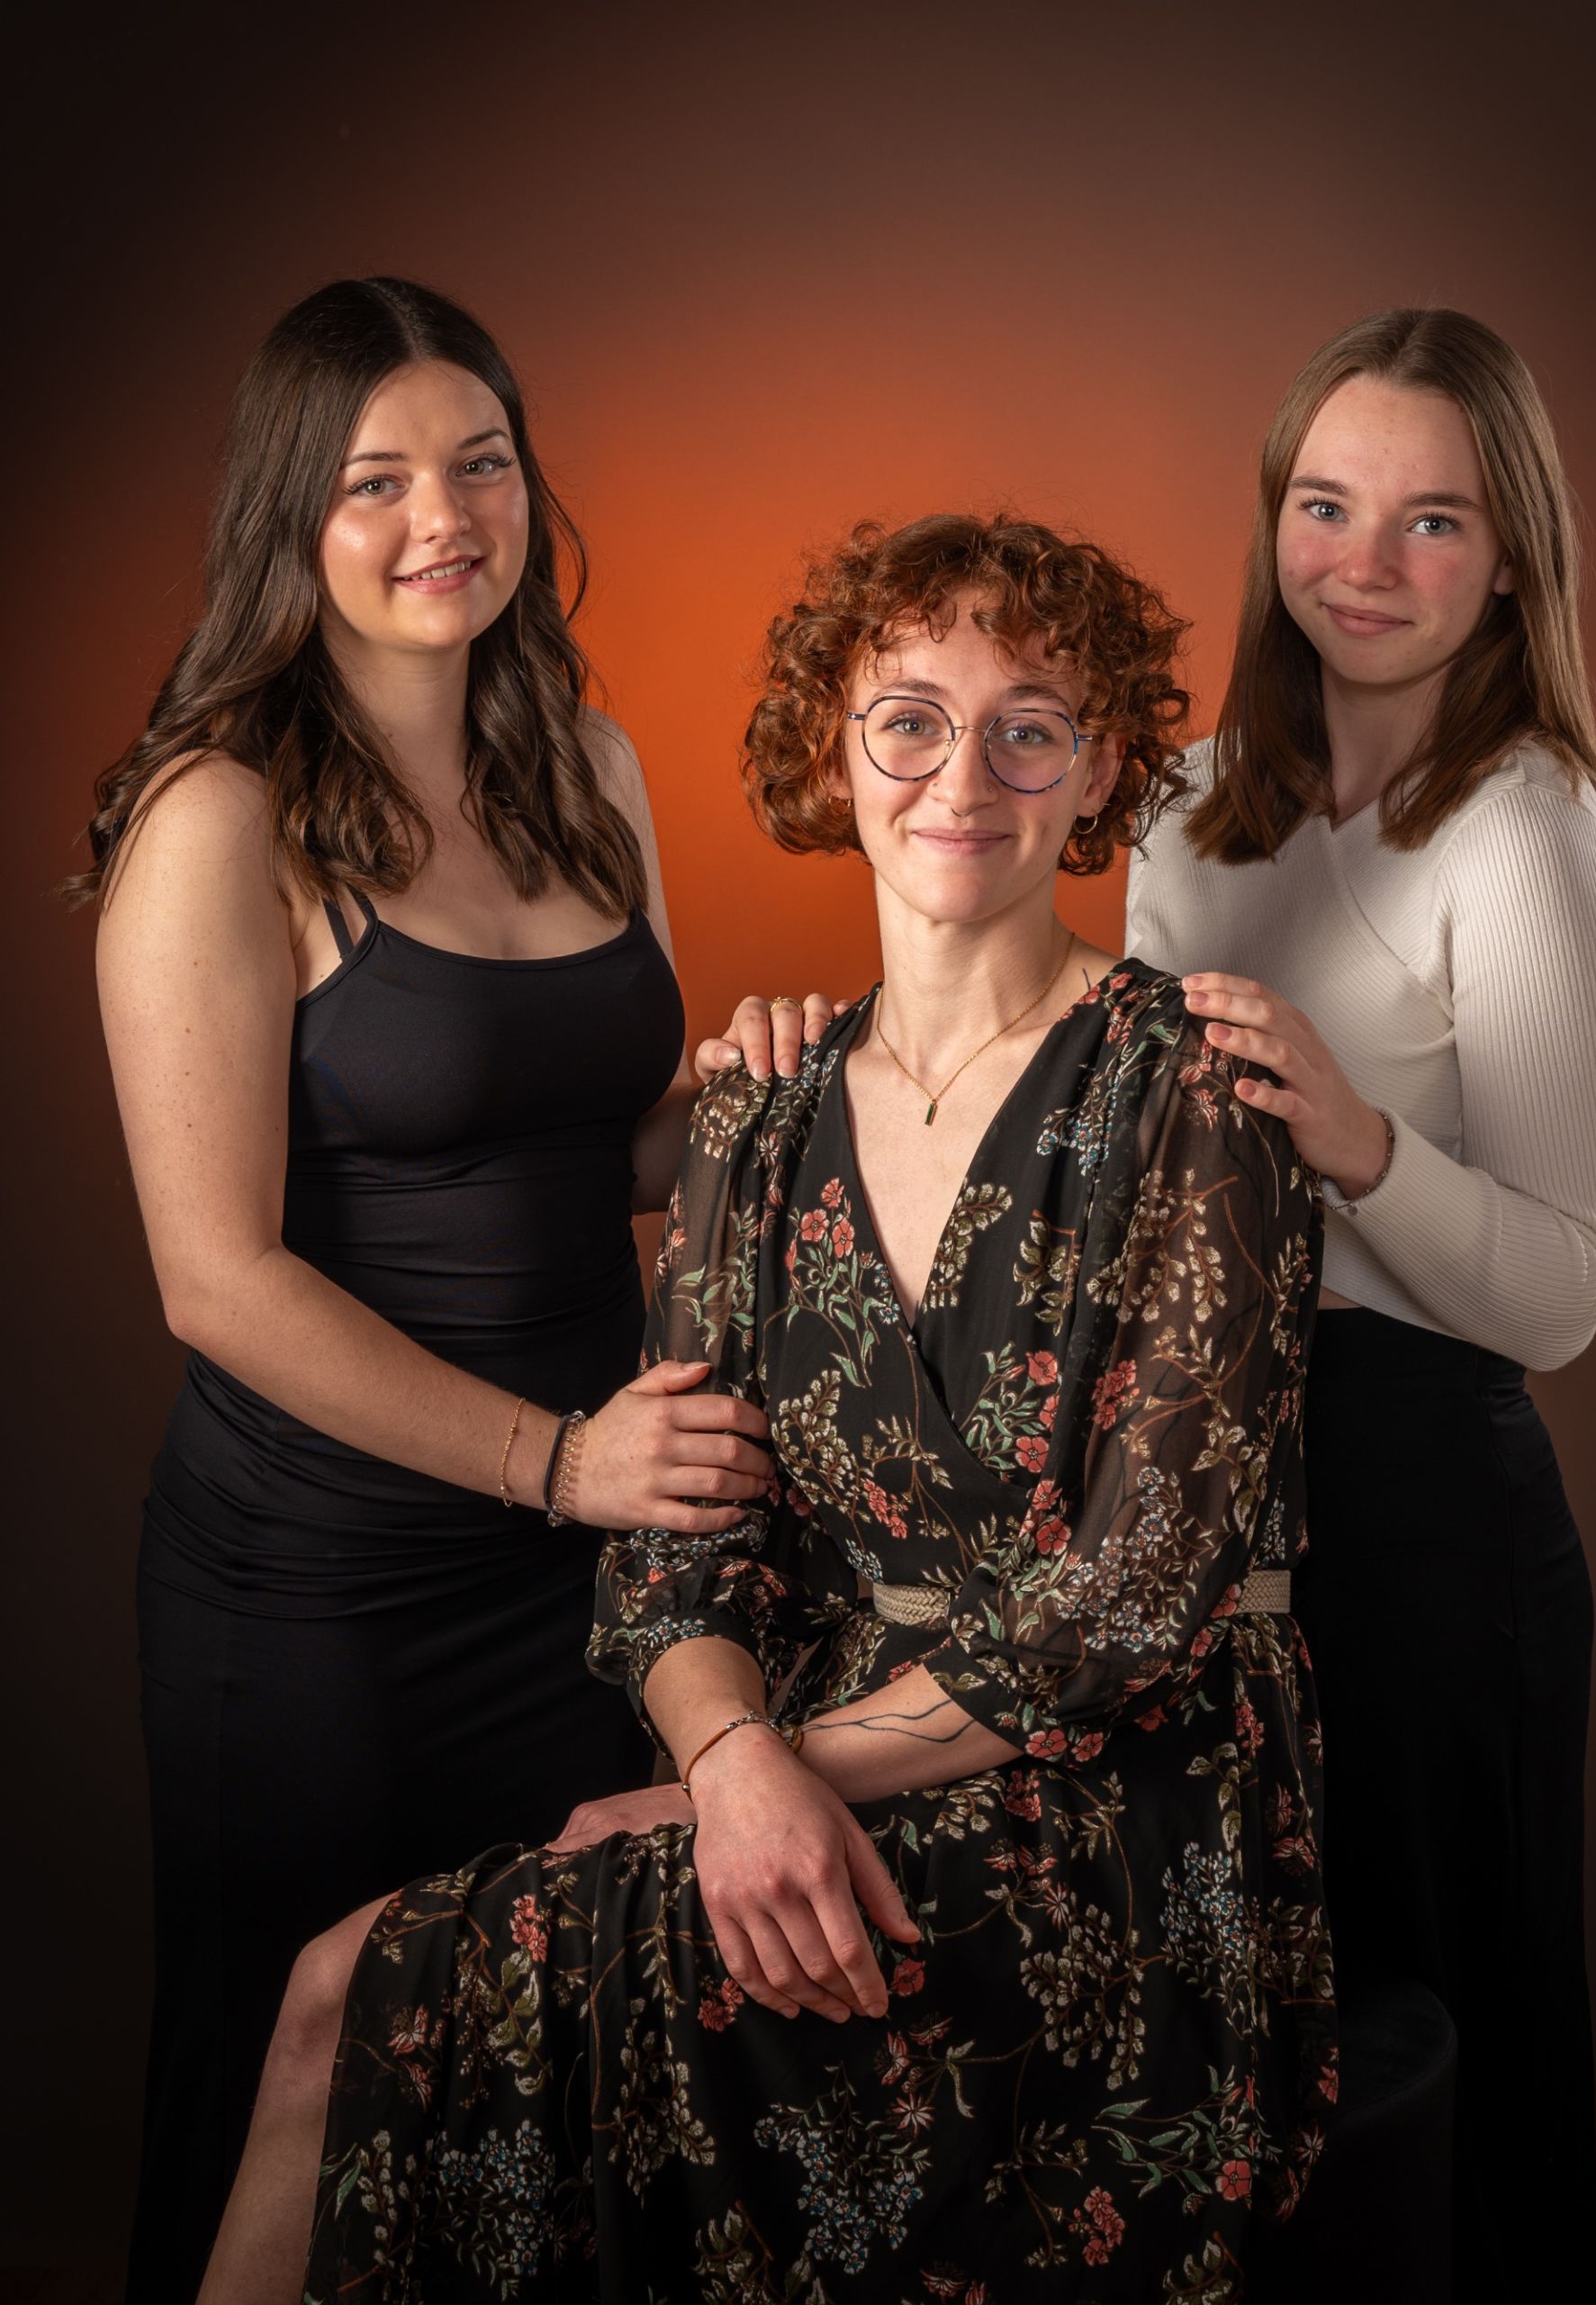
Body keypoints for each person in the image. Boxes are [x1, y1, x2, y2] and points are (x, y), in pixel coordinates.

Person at [201, 511, 1338, 2304]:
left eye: (1029, 727)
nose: (962, 777)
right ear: (836, 749)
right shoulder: (755, 1113)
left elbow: (1132, 1601)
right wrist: (728, 1763)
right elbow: (676, 1562)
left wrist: (753, 1780)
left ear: (1102, 765)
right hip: (790, 1777)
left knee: (369, 1998)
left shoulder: (1199, 1091)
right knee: (333, 1995)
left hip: (1123, 1816)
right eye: (911, 720)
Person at [74, 276, 813, 2299]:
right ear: (288, 515)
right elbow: (214, 1279)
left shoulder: (590, 763)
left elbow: (604, 1153)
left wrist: (751, 1093)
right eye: (376, 479)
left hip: (587, 1566)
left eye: (480, 464)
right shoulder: (215, 816)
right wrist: (557, 1459)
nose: (443, 518)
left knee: (530, 2101)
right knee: (290, 2095)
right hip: (329, 1590)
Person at [1124, 308, 1596, 2300]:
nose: (1364, 562)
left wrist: (1355, 1142)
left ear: (1510, 560)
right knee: (1268, 2054)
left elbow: (1568, 1291)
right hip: (1210, 1499)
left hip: (1429, 1518)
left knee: (1454, 2059)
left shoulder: (1528, 829)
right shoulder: (1188, 807)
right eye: (1326, 505)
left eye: (1433, 520)